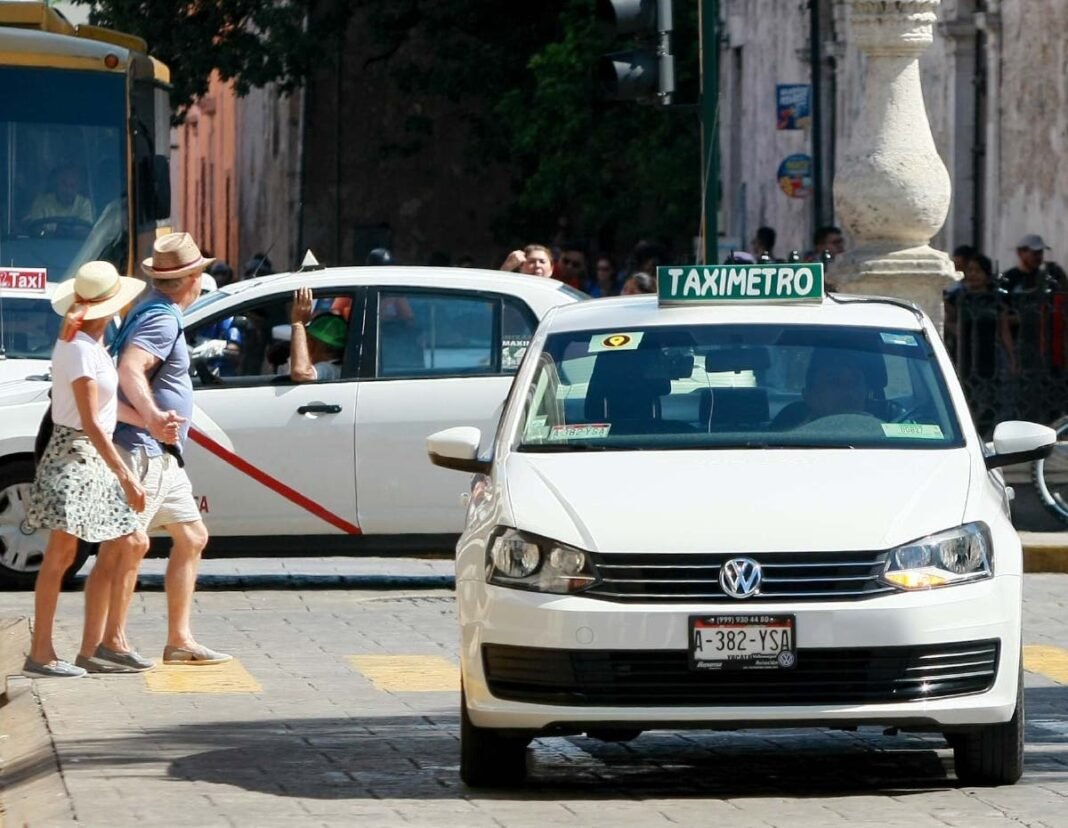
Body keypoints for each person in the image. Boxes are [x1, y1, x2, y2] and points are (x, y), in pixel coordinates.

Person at [23, 261, 171, 678]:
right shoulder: (79, 349)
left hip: (88, 453)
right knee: (64, 554)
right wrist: (126, 476)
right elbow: (89, 422)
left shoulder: (89, 345)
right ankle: (44, 652)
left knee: (129, 540)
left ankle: (103, 644)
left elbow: (103, 412)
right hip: (76, 454)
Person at [113, 232, 231, 666]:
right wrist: (151, 416)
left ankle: (179, 641)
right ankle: (113, 642)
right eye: (200, 273)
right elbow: (130, 368)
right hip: (144, 449)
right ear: (193, 278)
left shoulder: (153, 311)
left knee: (193, 536)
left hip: (161, 454)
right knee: (130, 543)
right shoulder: (161, 320)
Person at [772, 350, 872, 428]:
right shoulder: (787, 441)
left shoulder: (882, 437)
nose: (849, 391)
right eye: (835, 382)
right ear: (808, 395)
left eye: (855, 382)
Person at [289, 287, 347, 381]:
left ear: (311, 343)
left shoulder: (328, 369)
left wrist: (298, 324)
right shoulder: (339, 368)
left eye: (306, 339)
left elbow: (301, 373)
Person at [26, 164, 94, 227]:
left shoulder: (84, 204)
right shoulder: (41, 203)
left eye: (73, 186)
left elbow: (86, 234)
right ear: (56, 184)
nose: (68, 191)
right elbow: (36, 231)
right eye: (64, 184)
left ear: (79, 187)